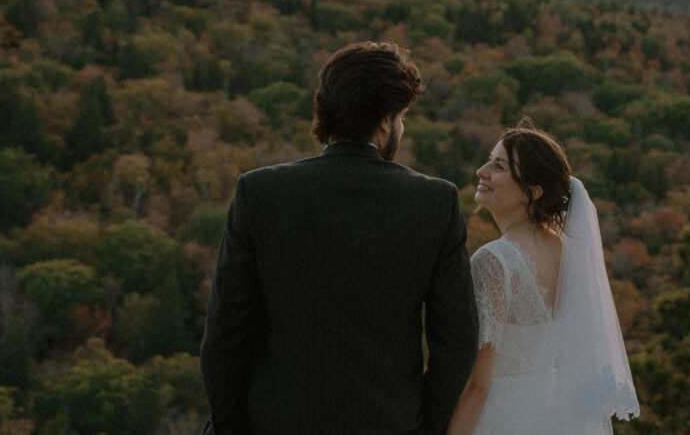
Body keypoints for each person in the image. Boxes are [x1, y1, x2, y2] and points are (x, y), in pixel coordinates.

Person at [200, 42, 478, 435]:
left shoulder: (260, 193)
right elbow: (457, 342)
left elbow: (225, 337)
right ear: (385, 121)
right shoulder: (435, 202)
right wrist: (424, 427)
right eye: (401, 117)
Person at [447, 122, 639, 434]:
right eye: (488, 161)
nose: (481, 171)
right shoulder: (570, 253)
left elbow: (477, 384)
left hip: (497, 418)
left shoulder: (494, 261)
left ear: (533, 191)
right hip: (553, 416)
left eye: (498, 167)